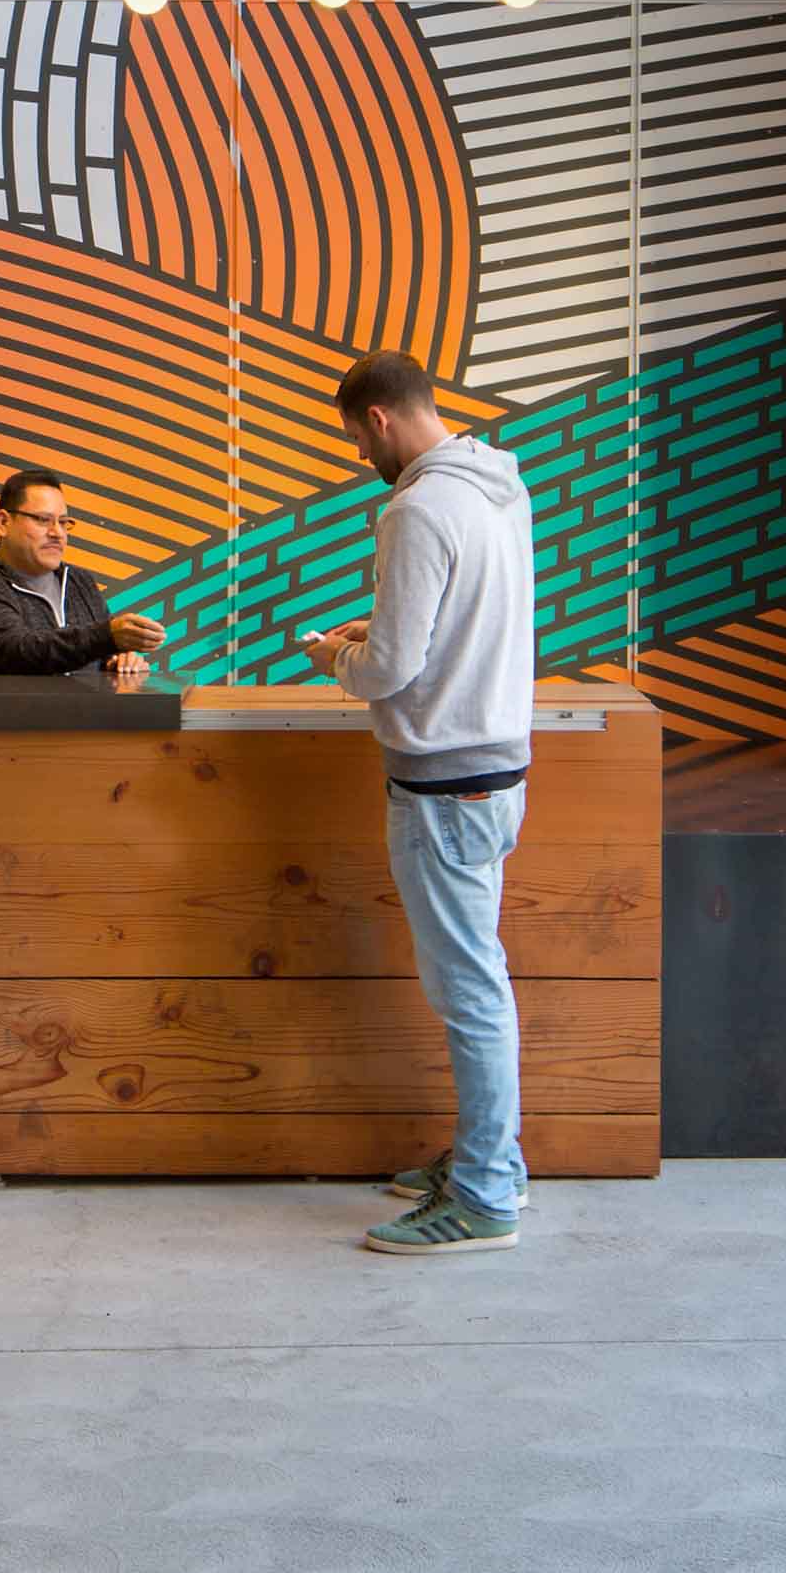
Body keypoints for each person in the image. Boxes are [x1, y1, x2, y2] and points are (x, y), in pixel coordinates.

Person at [301, 352, 536, 1257]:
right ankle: (492, 1164)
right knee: (477, 982)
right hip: (496, 768)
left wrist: (337, 656)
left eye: (358, 439)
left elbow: (393, 671)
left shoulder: (416, 506)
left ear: (380, 421)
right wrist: (384, 635)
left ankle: (482, 1198)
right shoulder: (500, 488)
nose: (362, 456)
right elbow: (458, 627)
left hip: (441, 783)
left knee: (469, 991)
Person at [0, 469, 161, 676]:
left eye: (64, 522)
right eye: (42, 520)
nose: (57, 533)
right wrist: (108, 637)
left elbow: (101, 650)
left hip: (86, 715)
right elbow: (20, 651)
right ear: (3, 523)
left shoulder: (80, 581)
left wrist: (122, 660)